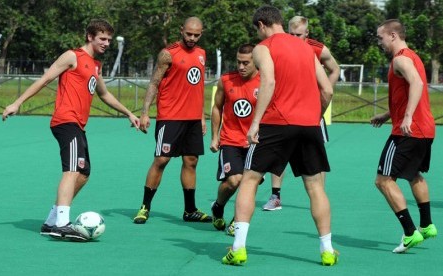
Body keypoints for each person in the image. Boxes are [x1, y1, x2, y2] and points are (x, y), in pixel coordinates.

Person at [2, 19, 140, 241]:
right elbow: (45, 79)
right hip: (66, 121)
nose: (106, 43)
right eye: (102, 39)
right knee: (72, 170)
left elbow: (104, 94)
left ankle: (51, 221)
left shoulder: (96, 65)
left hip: (78, 125)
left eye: (109, 40)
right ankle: (62, 224)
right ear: (90, 37)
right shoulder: (72, 56)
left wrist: (129, 113)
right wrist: (17, 103)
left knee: (83, 173)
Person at [222, 6, 338, 266]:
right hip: (309, 125)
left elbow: (269, 82)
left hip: (276, 123)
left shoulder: (264, 47)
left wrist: (255, 123)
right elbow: (328, 90)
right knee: (316, 187)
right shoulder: (307, 48)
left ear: (262, 24)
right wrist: (314, 117)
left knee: (250, 180)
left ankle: (238, 248)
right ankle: (328, 251)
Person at [133, 17, 212, 224]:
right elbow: (154, 83)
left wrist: (202, 117)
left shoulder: (202, 54)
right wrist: (144, 112)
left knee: (191, 161)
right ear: (181, 31)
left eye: (196, 35)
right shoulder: (168, 53)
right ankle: (144, 207)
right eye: (189, 34)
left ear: (201, 33)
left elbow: (198, 88)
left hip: (193, 119)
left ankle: (190, 210)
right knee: (161, 160)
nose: (192, 38)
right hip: (170, 117)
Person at [371, 19, 437, 253]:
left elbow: (418, 84)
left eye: (380, 38)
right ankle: (427, 224)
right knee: (413, 174)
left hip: (408, 130)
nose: (379, 42)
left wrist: (407, 117)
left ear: (392, 35)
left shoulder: (400, 58)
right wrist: (389, 114)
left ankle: (410, 233)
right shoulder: (413, 56)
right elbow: (409, 91)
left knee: (383, 180)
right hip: (424, 129)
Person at [263, 15, 340, 211]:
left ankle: (319, 196)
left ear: (307, 33)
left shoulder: (317, 49)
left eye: (298, 34)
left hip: (310, 111)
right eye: (291, 33)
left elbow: (334, 70)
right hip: (285, 108)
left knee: (317, 156)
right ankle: (275, 196)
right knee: (279, 154)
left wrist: (322, 97)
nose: (294, 37)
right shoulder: (278, 46)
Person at [210, 44, 260, 236]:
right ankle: (218, 206)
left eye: (246, 63)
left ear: (256, 62)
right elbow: (217, 107)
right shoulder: (226, 80)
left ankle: (236, 221)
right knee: (234, 181)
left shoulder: (266, 82)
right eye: (238, 62)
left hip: (256, 142)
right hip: (230, 139)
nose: (241, 66)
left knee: (250, 183)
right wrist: (215, 136)